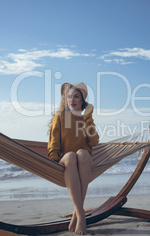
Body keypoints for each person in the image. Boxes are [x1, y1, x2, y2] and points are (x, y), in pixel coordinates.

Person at [48, 82, 99, 235]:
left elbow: (94, 141)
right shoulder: (60, 116)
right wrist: (51, 162)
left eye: (76, 96)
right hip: (66, 160)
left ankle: (77, 213)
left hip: (83, 160)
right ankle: (81, 213)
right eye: (69, 96)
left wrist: (88, 117)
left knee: (82, 153)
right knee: (71, 155)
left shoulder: (85, 118)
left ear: (83, 100)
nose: (72, 99)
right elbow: (54, 142)